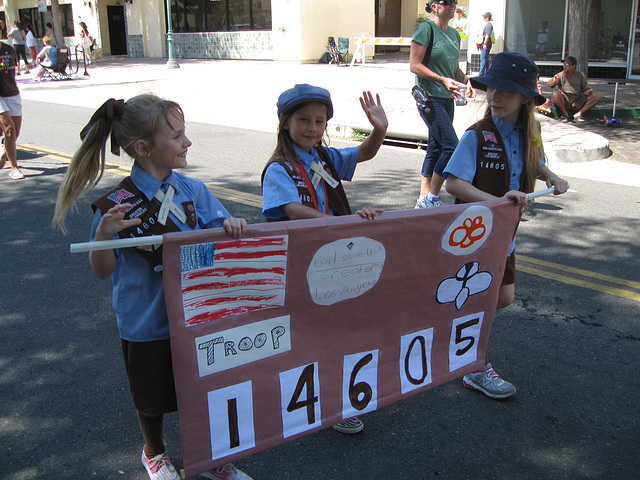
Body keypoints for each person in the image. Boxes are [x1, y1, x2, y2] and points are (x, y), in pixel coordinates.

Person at [52, 94, 252, 480]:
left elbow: (221, 228)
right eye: (177, 137)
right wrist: (107, 235)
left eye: (184, 134)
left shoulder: (193, 190)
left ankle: (208, 457)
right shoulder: (117, 205)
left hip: (196, 314)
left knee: (201, 386)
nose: (187, 143)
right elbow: (101, 269)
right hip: (146, 319)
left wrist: (233, 225)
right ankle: (154, 452)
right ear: (143, 148)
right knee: (150, 395)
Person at [262, 84, 388, 431]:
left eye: (319, 121)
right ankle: (314, 400)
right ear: (285, 122)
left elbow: (364, 153)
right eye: (304, 120)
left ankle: (331, 399)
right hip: (299, 265)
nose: (312, 128)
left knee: (335, 328)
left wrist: (379, 129)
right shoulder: (279, 168)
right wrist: (344, 223)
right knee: (309, 334)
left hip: (333, 262)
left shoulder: (325, 157)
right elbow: (291, 209)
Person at [444, 52, 568, 399]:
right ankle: (474, 365)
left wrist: (553, 176)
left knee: (502, 297)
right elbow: (453, 184)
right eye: (491, 89)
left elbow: (536, 163)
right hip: (474, 235)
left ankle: (455, 337)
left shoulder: (531, 132)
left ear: (525, 99)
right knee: (485, 298)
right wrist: (496, 203)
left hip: (504, 234)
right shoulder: (477, 135)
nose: (495, 98)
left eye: (506, 92)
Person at [410, 0, 475, 209]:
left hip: (447, 97)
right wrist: (441, 79)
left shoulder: (455, 35)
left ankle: (423, 198)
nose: (452, 5)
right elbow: (415, 65)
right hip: (429, 96)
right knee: (451, 146)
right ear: (435, 6)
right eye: (446, 2)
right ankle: (432, 197)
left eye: (454, 2)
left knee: (436, 147)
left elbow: (453, 68)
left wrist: (468, 81)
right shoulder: (425, 29)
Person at [548, 55, 603, 123]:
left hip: (578, 100)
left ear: (574, 66)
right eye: (564, 64)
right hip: (565, 100)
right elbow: (550, 84)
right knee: (556, 93)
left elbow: (586, 89)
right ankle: (565, 114)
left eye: (567, 64)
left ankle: (579, 114)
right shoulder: (560, 75)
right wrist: (554, 81)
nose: (565, 66)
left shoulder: (580, 75)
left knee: (598, 95)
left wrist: (587, 92)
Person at [0, 39, 24, 179]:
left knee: (15, 134)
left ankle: (4, 150)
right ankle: (14, 168)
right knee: (9, 130)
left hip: (13, 93)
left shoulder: (9, 49)